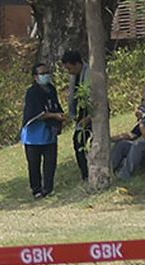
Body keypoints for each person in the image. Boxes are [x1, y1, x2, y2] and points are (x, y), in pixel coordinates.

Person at [20, 62, 67, 199]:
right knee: (34, 164)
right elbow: (36, 113)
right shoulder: (32, 92)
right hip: (33, 136)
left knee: (50, 162)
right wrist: (54, 115)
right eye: (42, 73)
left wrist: (60, 116)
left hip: (48, 134)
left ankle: (48, 188)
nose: (45, 76)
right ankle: (37, 190)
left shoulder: (51, 89)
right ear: (35, 77)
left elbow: (55, 106)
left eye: (47, 73)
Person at [61, 50, 91, 181]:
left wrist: (89, 118)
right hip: (82, 112)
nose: (69, 71)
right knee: (78, 141)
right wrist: (71, 115)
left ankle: (92, 172)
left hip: (93, 111)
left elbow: (97, 100)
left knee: (90, 141)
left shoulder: (90, 74)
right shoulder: (74, 77)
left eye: (69, 68)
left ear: (77, 64)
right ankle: (86, 174)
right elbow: (73, 97)